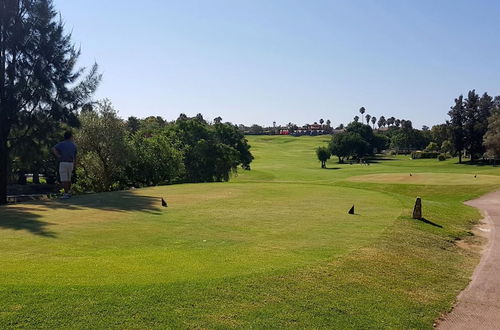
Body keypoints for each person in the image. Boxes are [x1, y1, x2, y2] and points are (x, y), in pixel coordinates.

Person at [52, 131, 77, 199]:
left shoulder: (61, 144)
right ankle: (68, 193)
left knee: (64, 179)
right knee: (68, 179)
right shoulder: (74, 145)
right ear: (70, 137)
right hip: (71, 163)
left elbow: (54, 148)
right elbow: (75, 156)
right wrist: (74, 164)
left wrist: (58, 155)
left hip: (63, 162)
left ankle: (66, 194)